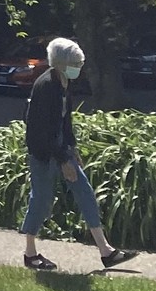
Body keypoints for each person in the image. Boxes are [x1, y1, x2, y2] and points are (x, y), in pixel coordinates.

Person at [20, 38, 136, 271]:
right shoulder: (46, 86)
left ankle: (106, 251)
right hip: (44, 151)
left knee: (84, 192)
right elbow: (43, 130)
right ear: (60, 63)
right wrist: (63, 160)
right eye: (75, 63)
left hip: (61, 148)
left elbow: (65, 121)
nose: (78, 68)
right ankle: (30, 254)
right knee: (41, 200)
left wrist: (72, 149)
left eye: (79, 63)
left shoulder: (64, 83)